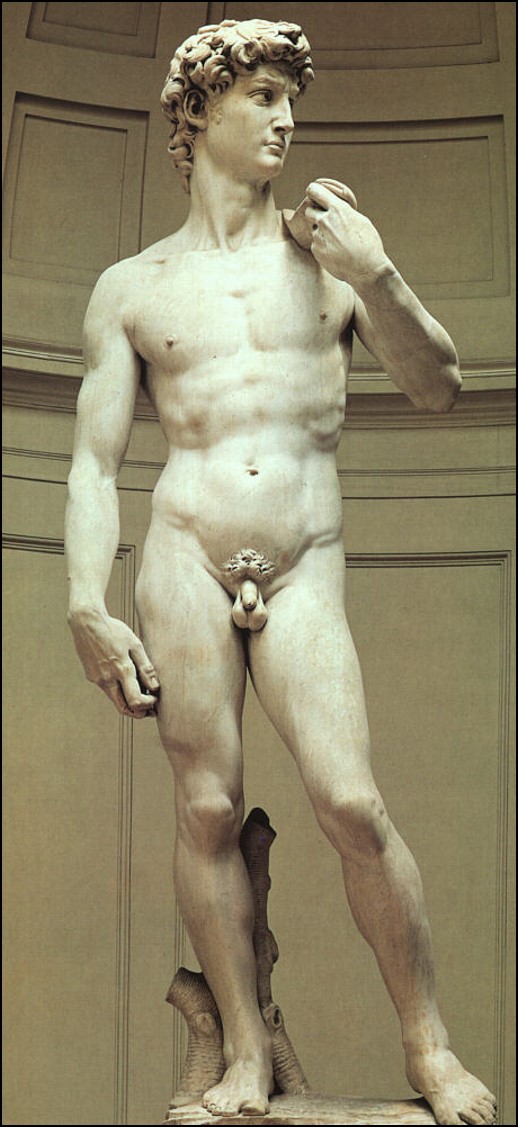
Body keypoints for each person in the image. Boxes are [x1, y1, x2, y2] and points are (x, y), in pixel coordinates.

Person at [65, 18, 497, 1126]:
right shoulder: (133, 287)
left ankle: (430, 1045)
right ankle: (246, 1052)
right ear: (198, 110)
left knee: (350, 799)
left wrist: (376, 271)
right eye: (262, 95)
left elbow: (438, 386)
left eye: (288, 98)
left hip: (304, 558)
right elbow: (93, 463)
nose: (286, 119)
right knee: (206, 805)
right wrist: (83, 602)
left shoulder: (332, 257)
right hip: (183, 550)